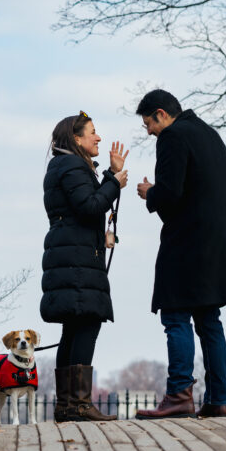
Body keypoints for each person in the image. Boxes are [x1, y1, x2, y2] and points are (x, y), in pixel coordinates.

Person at [133, 90, 226, 419]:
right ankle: (217, 399)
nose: (149, 132)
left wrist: (149, 193)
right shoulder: (211, 135)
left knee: (175, 316)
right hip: (219, 240)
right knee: (209, 321)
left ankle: (179, 396)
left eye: (148, 124)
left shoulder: (172, 136)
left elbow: (171, 194)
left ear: (161, 114)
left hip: (188, 240)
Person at [41, 111, 128, 421]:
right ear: (76, 138)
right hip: (77, 259)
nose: (99, 137)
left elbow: (80, 210)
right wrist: (114, 181)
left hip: (70, 254)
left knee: (74, 327)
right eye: (92, 132)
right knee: (87, 322)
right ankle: (77, 405)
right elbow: (89, 205)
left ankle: (67, 405)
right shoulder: (73, 165)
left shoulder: (63, 165)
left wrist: (108, 178)